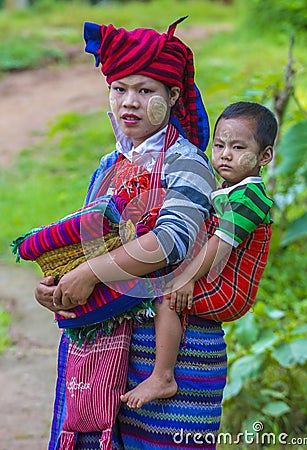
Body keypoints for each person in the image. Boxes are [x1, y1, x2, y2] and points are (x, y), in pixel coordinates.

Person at [34, 17, 227, 450]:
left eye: (145, 91)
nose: (129, 102)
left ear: (173, 96)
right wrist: (59, 285)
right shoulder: (108, 166)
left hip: (177, 358)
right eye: (119, 89)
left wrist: (91, 275)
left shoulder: (188, 164)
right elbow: (87, 243)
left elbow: (169, 241)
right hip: (103, 357)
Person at [120, 101, 278, 409]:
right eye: (219, 145)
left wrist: (186, 278)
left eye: (237, 147)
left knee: (166, 297)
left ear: (265, 156)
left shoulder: (250, 197)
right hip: (217, 273)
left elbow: (220, 244)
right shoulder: (229, 189)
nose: (225, 154)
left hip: (230, 288)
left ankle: (163, 376)